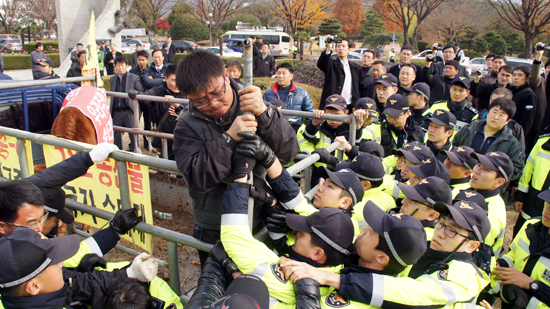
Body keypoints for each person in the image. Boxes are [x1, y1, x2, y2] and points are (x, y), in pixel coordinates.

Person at [172, 50, 298, 266]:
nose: (212, 103)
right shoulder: (186, 125)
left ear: (227, 76)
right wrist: (229, 137)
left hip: (262, 210)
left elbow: (289, 151)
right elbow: (198, 178)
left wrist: (264, 113)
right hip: (216, 223)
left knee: (263, 282)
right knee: (219, 288)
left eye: (217, 93)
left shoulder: (253, 103)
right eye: (200, 100)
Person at [282, 198, 491, 309]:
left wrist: (330, 277)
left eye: (452, 230)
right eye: (442, 223)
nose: (441, 232)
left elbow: (413, 293)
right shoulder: (430, 246)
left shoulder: (465, 274)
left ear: (471, 246)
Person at [0, 228, 158, 309]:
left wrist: (127, 273)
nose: (62, 264)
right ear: (34, 286)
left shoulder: (28, 295)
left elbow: (72, 283)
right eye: (54, 262)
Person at [491, 189, 550, 309]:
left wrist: (531, 286)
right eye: (548, 202)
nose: (547, 210)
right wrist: (500, 265)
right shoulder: (531, 225)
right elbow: (514, 254)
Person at [453, 97, 525, 183]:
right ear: (487, 112)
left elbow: (516, 169)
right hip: (460, 179)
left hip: (486, 187)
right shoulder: (469, 129)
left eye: (502, 114)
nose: (496, 117)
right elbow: (454, 147)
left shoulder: (511, 143)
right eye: (494, 112)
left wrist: (493, 177)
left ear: (507, 120)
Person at [298, 94, 364, 187]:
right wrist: (315, 122)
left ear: (346, 113)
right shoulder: (321, 126)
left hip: (343, 175)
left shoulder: (352, 129)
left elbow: (358, 143)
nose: (333, 119)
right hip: (319, 174)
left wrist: (358, 125)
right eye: (329, 114)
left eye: (337, 115)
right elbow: (309, 136)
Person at [469, 151, 514, 257]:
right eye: (479, 165)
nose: (477, 171)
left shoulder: (490, 213)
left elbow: (476, 254)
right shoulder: (471, 192)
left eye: (486, 169)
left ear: (499, 182)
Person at [144, 65, 185, 160]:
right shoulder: (158, 91)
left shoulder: (187, 92)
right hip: (165, 137)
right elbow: (143, 97)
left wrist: (178, 106)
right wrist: (135, 94)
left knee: (182, 168)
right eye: (173, 80)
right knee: (164, 165)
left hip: (183, 137)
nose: (177, 84)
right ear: (165, 79)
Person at [514, 129, 550, 236]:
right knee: (522, 230)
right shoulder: (543, 142)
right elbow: (528, 169)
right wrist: (520, 196)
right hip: (534, 198)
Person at [263, 62, 314, 132]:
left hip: (295, 132)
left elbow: (310, 115)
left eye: (284, 73)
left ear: (291, 76)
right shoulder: (268, 93)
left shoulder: (302, 92)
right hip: (274, 133)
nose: (280, 76)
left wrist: (307, 132)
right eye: (278, 73)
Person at [317, 37, 364, 111]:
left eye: (343, 46)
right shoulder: (331, 64)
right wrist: (329, 47)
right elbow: (321, 64)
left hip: (351, 106)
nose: (341, 48)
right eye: (338, 46)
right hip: (333, 105)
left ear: (349, 49)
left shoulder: (356, 68)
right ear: (335, 50)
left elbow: (360, 87)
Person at [109, 56, 143, 152]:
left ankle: (134, 153)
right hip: (116, 112)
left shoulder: (134, 78)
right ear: (115, 66)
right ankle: (118, 156)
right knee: (117, 137)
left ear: (126, 66)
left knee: (133, 135)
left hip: (129, 111)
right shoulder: (112, 79)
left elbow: (141, 92)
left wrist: (135, 93)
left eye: (122, 65)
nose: (120, 68)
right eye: (118, 66)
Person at [380, 93, 425, 157]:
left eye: (396, 116)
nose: (391, 119)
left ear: (407, 113)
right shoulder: (378, 128)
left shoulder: (418, 132)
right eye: (388, 115)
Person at [511, 65, 538, 139]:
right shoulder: (512, 91)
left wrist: (521, 137)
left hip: (518, 135)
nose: (516, 77)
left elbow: (527, 120)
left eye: (520, 75)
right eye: (514, 75)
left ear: (527, 78)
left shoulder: (529, 94)